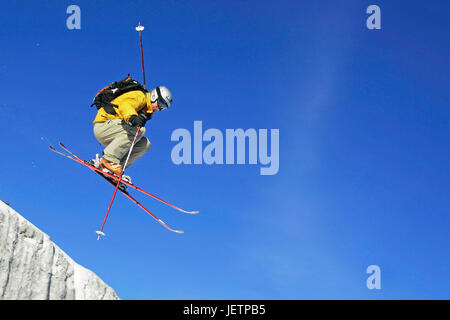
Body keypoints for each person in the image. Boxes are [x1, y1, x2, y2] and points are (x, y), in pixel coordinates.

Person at [91, 85, 173, 183]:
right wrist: (132, 118)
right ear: (154, 96)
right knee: (140, 130)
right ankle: (108, 161)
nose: (159, 108)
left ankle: (114, 168)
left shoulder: (147, 110)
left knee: (145, 144)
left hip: (115, 133)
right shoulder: (140, 96)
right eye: (161, 104)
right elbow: (125, 105)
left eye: (163, 108)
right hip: (103, 126)